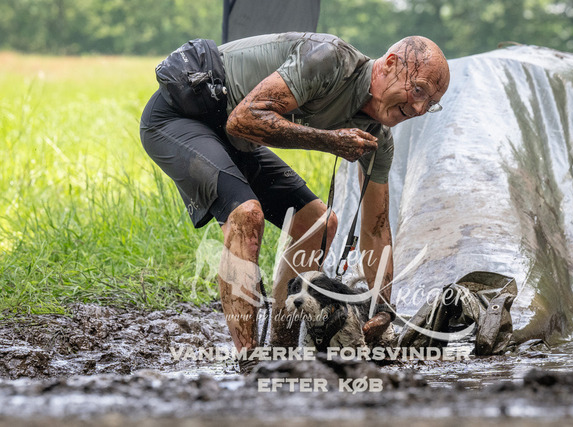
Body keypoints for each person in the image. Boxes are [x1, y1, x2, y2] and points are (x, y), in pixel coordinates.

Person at [139, 32, 450, 368]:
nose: (419, 108)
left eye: (430, 103)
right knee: (247, 213)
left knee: (320, 222)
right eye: (418, 90)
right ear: (389, 64)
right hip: (179, 119)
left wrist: (382, 310)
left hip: (234, 137)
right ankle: (250, 362)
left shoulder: (378, 140)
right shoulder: (329, 59)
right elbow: (244, 119)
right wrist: (330, 141)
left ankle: (281, 348)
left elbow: (376, 230)